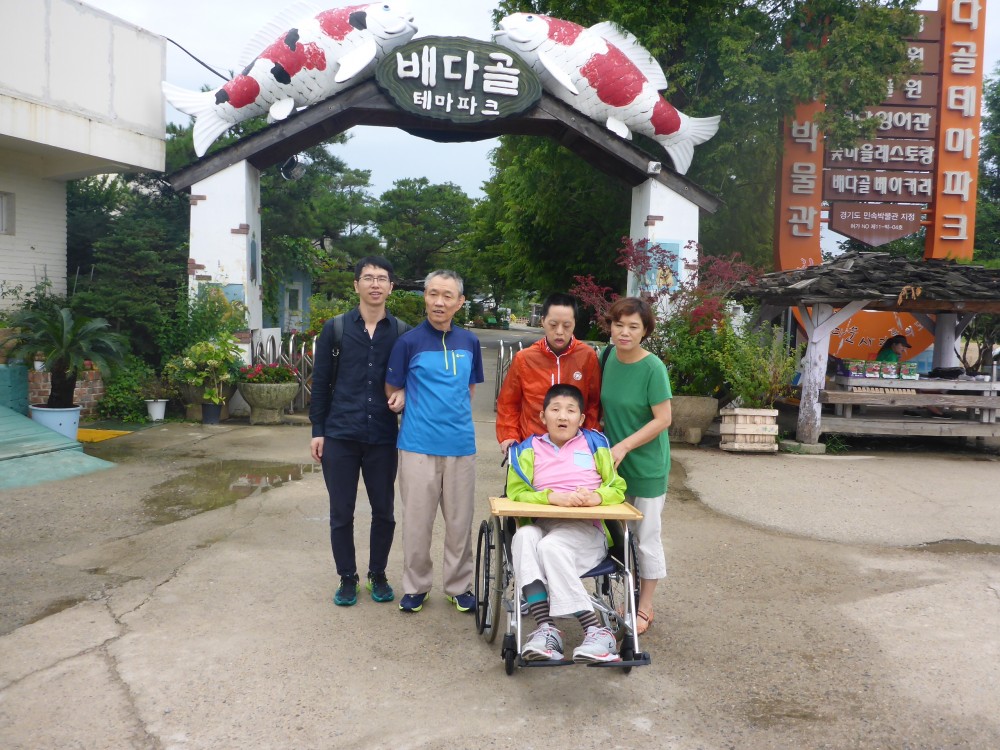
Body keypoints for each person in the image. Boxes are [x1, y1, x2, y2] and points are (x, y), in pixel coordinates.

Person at [310, 256, 410, 607]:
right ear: (356, 285)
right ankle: (347, 577)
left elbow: (412, 380)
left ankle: (377, 574)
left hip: (383, 435)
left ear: (391, 287)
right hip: (340, 433)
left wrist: (404, 393)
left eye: (381, 278)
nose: (375, 284)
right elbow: (321, 382)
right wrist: (318, 430)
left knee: (384, 511)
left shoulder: (402, 333)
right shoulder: (335, 329)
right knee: (341, 512)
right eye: (368, 278)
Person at [385, 270, 485, 613]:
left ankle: (459, 587)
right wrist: (403, 397)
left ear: (460, 302)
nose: (439, 302)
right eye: (432, 294)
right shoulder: (408, 342)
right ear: (425, 297)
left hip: (460, 446)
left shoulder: (469, 342)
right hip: (417, 446)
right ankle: (416, 587)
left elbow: (469, 390)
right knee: (417, 523)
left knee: (459, 524)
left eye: (447, 296)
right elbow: (392, 387)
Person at [507, 384, 627, 663]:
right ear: (543, 416)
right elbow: (516, 492)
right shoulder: (527, 450)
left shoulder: (595, 445)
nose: (563, 416)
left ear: (581, 419)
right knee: (523, 536)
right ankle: (546, 630)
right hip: (544, 523)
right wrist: (553, 498)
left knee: (550, 546)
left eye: (571, 411)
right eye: (555, 409)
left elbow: (618, 488)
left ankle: (597, 632)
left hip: (586, 532)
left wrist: (596, 497)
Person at [599, 297, 672, 636]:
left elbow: (663, 419)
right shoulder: (606, 357)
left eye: (633, 327)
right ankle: (627, 597)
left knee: (645, 538)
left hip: (646, 466)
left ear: (645, 331)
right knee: (619, 537)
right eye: (619, 325)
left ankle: (644, 607)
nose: (624, 332)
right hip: (613, 466)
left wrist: (626, 445)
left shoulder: (653, 368)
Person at [496, 293, 601, 454]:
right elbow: (508, 403)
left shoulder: (587, 356)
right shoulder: (524, 358)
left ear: (575, 323)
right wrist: (509, 436)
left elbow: (593, 404)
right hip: (531, 446)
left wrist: (589, 439)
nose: (559, 331)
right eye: (553, 325)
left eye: (566, 325)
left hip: (575, 448)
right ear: (543, 321)